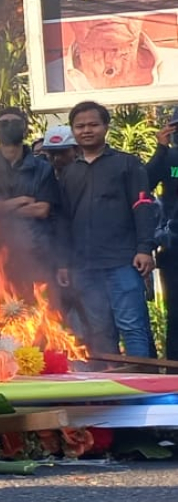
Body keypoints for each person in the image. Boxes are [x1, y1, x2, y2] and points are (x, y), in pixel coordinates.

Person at [56, 102, 157, 359]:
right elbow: (63, 220)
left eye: (93, 124)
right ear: (73, 131)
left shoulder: (127, 164)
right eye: (80, 126)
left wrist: (144, 248)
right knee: (98, 332)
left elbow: (143, 206)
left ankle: (141, 388)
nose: (86, 130)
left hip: (122, 261)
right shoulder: (69, 172)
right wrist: (64, 262)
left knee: (133, 327)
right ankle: (109, 389)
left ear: (105, 127)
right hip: (84, 267)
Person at [0, 108, 60, 291]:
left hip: (36, 255)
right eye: (3, 123)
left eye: (16, 123)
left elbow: (42, 210)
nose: (9, 127)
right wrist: (21, 201)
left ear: (25, 130)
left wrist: (0, 209)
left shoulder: (43, 169)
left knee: (38, 314)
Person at [147, 113, 178, 362]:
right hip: (174, 248)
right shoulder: (168, 157)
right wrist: (160, 148)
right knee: (176, 316)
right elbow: (144, 183)